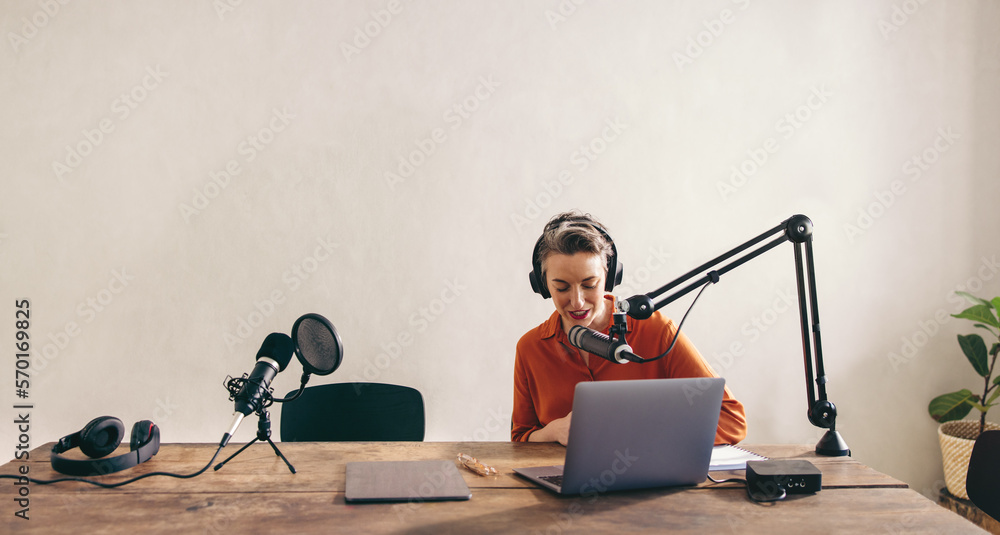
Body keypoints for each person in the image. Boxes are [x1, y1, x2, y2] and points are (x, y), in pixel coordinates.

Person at [512, 211, 747, 445]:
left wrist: (645, 436)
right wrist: (553, 432)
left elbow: (730, 420)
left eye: (589, 285)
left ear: (610, 277)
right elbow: (520, 438)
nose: (577, 301)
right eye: (562, 288)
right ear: (542, 286)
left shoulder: (658, 332)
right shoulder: (530, 347)